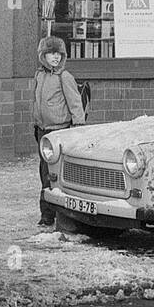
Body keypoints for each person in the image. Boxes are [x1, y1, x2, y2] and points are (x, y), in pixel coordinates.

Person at [32, 35, 86, 228]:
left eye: (59, 54)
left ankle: (53, 213)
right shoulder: (40, 76)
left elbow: (75, 103)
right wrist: (36, 122)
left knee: (53, 174)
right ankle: (46, 211)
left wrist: (78, 126)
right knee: (44, 172)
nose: (55, 57)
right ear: (43, 56)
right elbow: (37, 101)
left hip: (59, 131)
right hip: (42, 131)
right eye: (51, 53)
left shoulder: (64, 77)